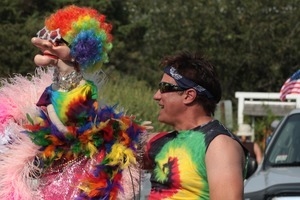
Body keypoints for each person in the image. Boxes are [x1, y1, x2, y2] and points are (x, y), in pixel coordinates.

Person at [0, 5, 145, 200]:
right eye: (54, 39)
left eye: (60, 41)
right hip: (51, 153)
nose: (52, 44)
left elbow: (91, 119)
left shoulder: (86, 88)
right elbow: (48, 106)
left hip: (79, 155)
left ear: (79, 50)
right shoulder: (51, 89)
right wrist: (57, 127)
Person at [143, 51, 248, 200]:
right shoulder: (164, 141)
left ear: (189, 95)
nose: (156, 95)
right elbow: (113, 147)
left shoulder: (219, 145)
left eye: (164, 87)